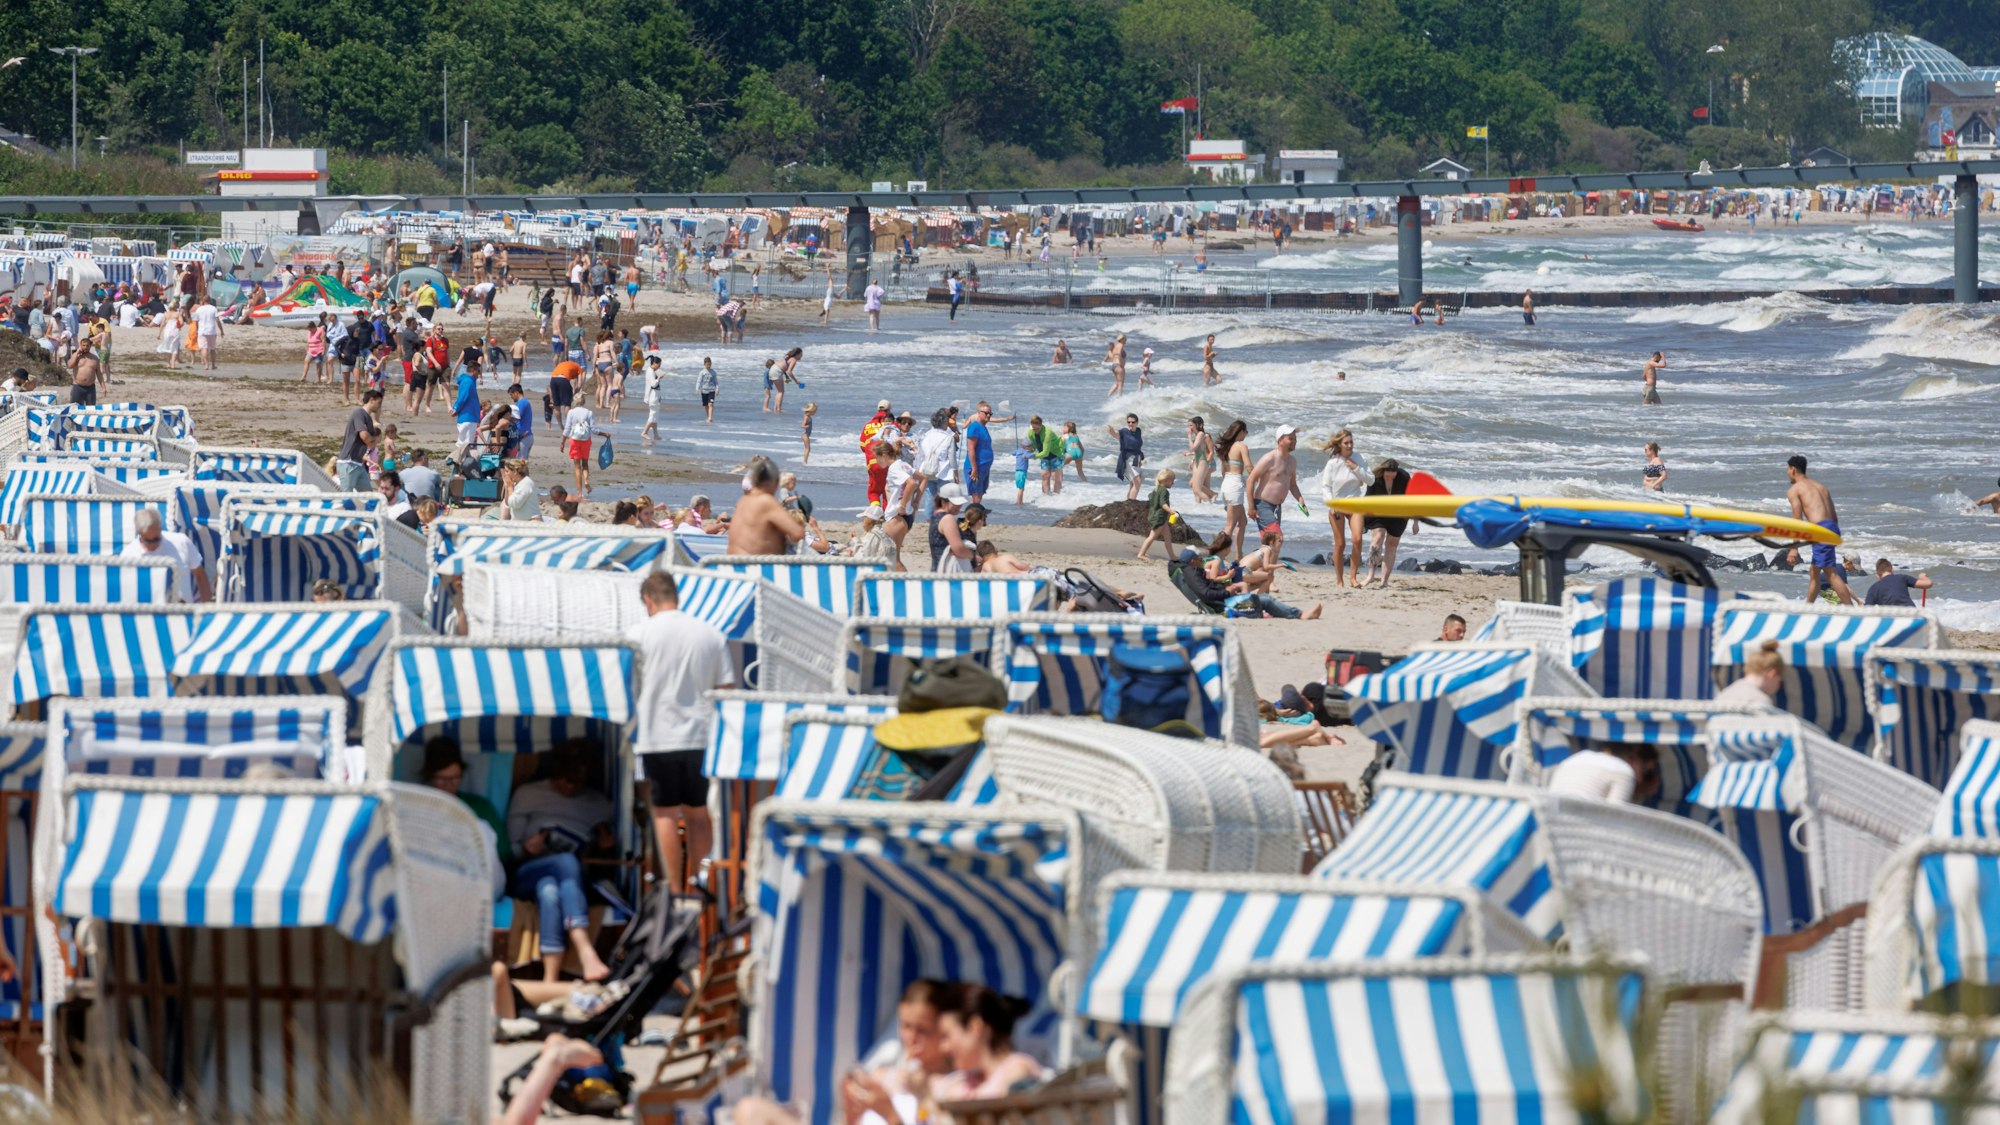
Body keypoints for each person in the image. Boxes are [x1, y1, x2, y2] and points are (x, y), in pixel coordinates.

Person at [627, 571, 734, 895]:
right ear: (676, 596)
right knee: (700, 815)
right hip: (702, 735)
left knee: (665, 815)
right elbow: (726, 689)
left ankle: (675, 893)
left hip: (656, 736)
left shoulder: (637, 634)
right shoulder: (710, 634)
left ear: (648, 600)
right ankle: (702, 890)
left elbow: (627, 686)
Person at [504, 748, 615, 983]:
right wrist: (526, 848)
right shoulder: (528, 794)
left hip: (572, 879)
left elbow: (604, 863)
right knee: (564, 862)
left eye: (579, 781)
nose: (571, 787)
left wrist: (605, 847)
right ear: (553, 774)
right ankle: (585, 950)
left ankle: (550, 980)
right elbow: (508, 853)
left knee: (550, 890)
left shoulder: (599, 804)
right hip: (527, 871)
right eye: (565, 780)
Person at [928, 984, 1047, 1103]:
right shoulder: (961, 1082)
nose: (943, 1047)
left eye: (946, 1036)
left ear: (975, 1027)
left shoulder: (1017, 1071)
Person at [1785, 455, 1855, 605]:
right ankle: (1808, 608)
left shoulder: (1795, 489)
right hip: (1831, 527)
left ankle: (1851, 612)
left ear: (1793, 469)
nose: (1787, 472)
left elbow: (1797, 520)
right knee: (1814, 573)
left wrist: (1794, 549)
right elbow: (1834, 515)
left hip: (1820, 529)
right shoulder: (1820, 486)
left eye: (1787, 469)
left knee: (1831, 574)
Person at [122, 508, 212, 603]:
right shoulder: (129, 555)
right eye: (148, 541)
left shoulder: (181, 542)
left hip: (183, 613)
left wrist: (206, 608)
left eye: (156, 539)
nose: (153, 545)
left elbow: (200, 576)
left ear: (160, 529)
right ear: (139, 534)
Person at [1317, 428, 1367, 588]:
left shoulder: (1358, 458)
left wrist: (1356, 468)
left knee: (1357, 540)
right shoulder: (1332, 463)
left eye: (1351, 442)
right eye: (1347, 443)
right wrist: (1331, 505)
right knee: (1340, 544)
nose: (1350, 445)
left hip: (1354, 503)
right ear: (1339, 444)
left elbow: (1371, 480)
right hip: (1337, 505)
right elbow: (1326, 487)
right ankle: (1339, 580)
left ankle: (1353, 577)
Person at [1244, 424, 1305, 555]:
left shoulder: (1292, 461)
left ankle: (1264, 570)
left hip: (1277, 507)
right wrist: (1251, 507)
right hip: (1263, 505)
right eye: (1290, 438)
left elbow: (1292, 485)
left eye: (1295, 438)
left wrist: (1300, 500)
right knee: (1277, 538)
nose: (1294, 441)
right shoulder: (1269, 458)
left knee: (1269, 544)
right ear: (1280, 440)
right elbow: (1250, 480)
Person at [729, 457, 805, 555]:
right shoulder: (766, 501)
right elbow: (798, 534)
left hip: (734, 559)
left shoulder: (743, 501)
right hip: (753, 563)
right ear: (775, 482)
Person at [1361, 458, 1415, 588]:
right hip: (1378, 512)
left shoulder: (1404, 477)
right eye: (1388, 472)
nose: (1391, 474)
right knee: (1378, 536)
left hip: (1399, 513)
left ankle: (1384, 581)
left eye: (1393, 472)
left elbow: (1413, 498)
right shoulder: (1375, 478)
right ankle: (1370, 576)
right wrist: (1362, 521)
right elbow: (1367, 498)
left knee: (1392, 544)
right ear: (1383, 470)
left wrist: (1416, 522)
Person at [1546, 743, 1661, 804]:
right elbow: (1614, 818)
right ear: (1635, 760)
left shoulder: (1573, 759)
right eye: (1646, 771)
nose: (1641, 779)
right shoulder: (1623, 771)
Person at [1215, 419, 1252, 561]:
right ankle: (1218, 553)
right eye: (1246, 432)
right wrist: (1257, 478)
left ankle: (1238, 554)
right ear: (1241, 431)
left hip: (1226, 485)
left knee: (1242, 522)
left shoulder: (1226, 448)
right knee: (1230, 525)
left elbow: (1223, 472)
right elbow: (1248, 466)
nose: (1246, 435)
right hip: (1235, 485)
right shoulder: (1241, 446)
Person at [1714, 639, 1786, 710]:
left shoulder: (1725, 694)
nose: (1778, 686)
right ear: (1772, 674)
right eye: (1779, 682)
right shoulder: (1760, 701)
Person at [335, 389, 383, 493]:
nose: (379, 406)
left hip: (358, 463)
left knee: (368, 497)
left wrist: (372, 439)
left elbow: (371, 444)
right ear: (371, 400)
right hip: (348, 462)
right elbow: (365, 437)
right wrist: (374, 438)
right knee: (346, 497)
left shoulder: (368, 419)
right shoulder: (359, 413)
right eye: (379, 403)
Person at [930, 486, 975, 572]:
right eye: (955, 503)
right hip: (947, 571)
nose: (959, 506)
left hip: (937, 568)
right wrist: (972, 556)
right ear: (943, 502)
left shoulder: (935, 516)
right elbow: (958, 549)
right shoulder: (948, 519)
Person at [1138, 468, 1178, 560]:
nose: (1173, 483)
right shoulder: (1164, 491)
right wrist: (1170, 511)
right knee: (1152, 537)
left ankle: (1172, 556)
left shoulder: (1156, 489)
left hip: (1158, 516)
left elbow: (1151, 499)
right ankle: (1141, 554)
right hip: (1159, 518)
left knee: (1168, 537)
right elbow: (1162, 504)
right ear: (1166, 480)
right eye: (1172, 481)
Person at [963, 401, 995, 504]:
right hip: (976, 467)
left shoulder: (983, 427)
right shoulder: (974, 427)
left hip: (984, 466)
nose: (989, 415)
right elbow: (971, 448)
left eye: (990, 413)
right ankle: (974, 516)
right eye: (986, 413)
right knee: (976, 495)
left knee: (980, 493)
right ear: (978, 413)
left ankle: (977, 515)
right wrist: (974, 468)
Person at [1865, 558, 1932, 607]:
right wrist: (1922, 576)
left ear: (1877, 575)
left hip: (1892, 620)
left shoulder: (1873, 588)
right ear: (1892, 570)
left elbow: (1866, 610)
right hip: (1911, 614)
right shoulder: (1902, 578)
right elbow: (1928, 584)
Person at [1107, 414, 1145, 501]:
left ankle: (1128, 501)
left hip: (1136, 459)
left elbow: (1137, 446)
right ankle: (1131, 503)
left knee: (1133, 482)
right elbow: (1116, 435)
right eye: (1129, 422)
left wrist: (1139, 460)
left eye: (1133, 422)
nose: (1130, 424)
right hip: (1127, 459)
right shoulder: (1124, 431)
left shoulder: (1138, 431)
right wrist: (1111, 431)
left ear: (1137, 423)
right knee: (1137, 482)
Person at [563, 400, 597, 497]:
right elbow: (593, 429)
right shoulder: (589, 413)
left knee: (577, 467)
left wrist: (562, 442)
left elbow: (567, 429)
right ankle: (586, 481)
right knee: (585, 464)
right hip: (586, 441)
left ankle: (579, 493)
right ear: (584, 401)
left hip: (574, 440)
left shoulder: (571, 412)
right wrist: (604, 434)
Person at [1186, 417, 1216, 503]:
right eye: (1188, 425)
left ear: (1198, 425)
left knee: (1196, 488)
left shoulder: (1202, 434)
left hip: (1204, 462)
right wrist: (1192, 460)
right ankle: (1199, 507)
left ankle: (1210, 500)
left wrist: (1189, 436)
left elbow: (1193, 448)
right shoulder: (1197, 436)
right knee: (1198, 488)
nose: (1189, 428)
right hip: (1198, 461)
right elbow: (1197, 451)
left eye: (1191, 425)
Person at [192, 295, 222, 370]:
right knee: (212, 348)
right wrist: (221, 330)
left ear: (203, 301)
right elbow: (217, 320)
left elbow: (196, 321)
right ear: (210, 300)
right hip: (212, 330)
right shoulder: (213, 308)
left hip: (202, 330)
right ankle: (213, 365)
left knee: (203, 348)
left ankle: (206, 364)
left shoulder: (199, 309)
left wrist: (197, 329)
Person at [641, 357, 666, 442]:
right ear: (654, 363)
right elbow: (654, 384)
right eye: (659, 364)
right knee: (653, 415)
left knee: (655, 416)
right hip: (653, 396)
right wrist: (658, 378)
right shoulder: (650, 372)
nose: (659, 366)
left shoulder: (651, 371)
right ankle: (644, 432)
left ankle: (656, 434)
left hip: (655, 395)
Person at [696, 357, 719, 424]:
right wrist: (697, 388)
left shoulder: (713, 372)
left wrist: (717, 389)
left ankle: (710, 418)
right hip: (704, 390)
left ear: (711, 364)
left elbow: (716, 382)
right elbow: (699, 381)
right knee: (706, 405)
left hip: (712, 390)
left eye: (709, 364)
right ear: (704, 364)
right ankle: (708, 416)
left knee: (711, 404)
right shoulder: (702, 372)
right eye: (707, 364)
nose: (708, 366)